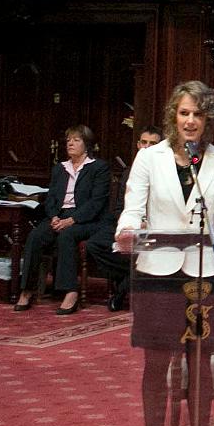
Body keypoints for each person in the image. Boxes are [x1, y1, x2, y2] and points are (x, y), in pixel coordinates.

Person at [113, 81, 214, 426]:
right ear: (174, 115)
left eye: (198, 115)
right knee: (156, 365)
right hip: (157, 272)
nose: (190, 121)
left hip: (202, 274)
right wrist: (126, 231)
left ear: (209, 120)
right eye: (184, 113)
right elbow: (132, 209)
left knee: (200, 364)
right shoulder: (149, 159)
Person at [16, 125, 111, 315]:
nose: (70, 143)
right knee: (35, 236)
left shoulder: (98, 168)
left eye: (76, 140)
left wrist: (72, 220)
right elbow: (51, 198)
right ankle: (27, 289)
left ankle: (70, 291)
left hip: (87, 220)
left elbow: (96, 202)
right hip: (59, 216)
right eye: (68, 140)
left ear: (87, 144)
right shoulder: (59, 169)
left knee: (66, 236)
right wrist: (53, 217)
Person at [86, 126, 164, 312]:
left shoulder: (167, 173)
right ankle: (134, 276)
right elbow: (120, 208)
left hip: (158, 228)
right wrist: (133, 223)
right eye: (143, 143)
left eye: (152, 144)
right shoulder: (130, 172)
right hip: (131, 225)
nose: (146, 147)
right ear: (138, 145)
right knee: (94, 244)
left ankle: (120, 292)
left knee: (148, 253)